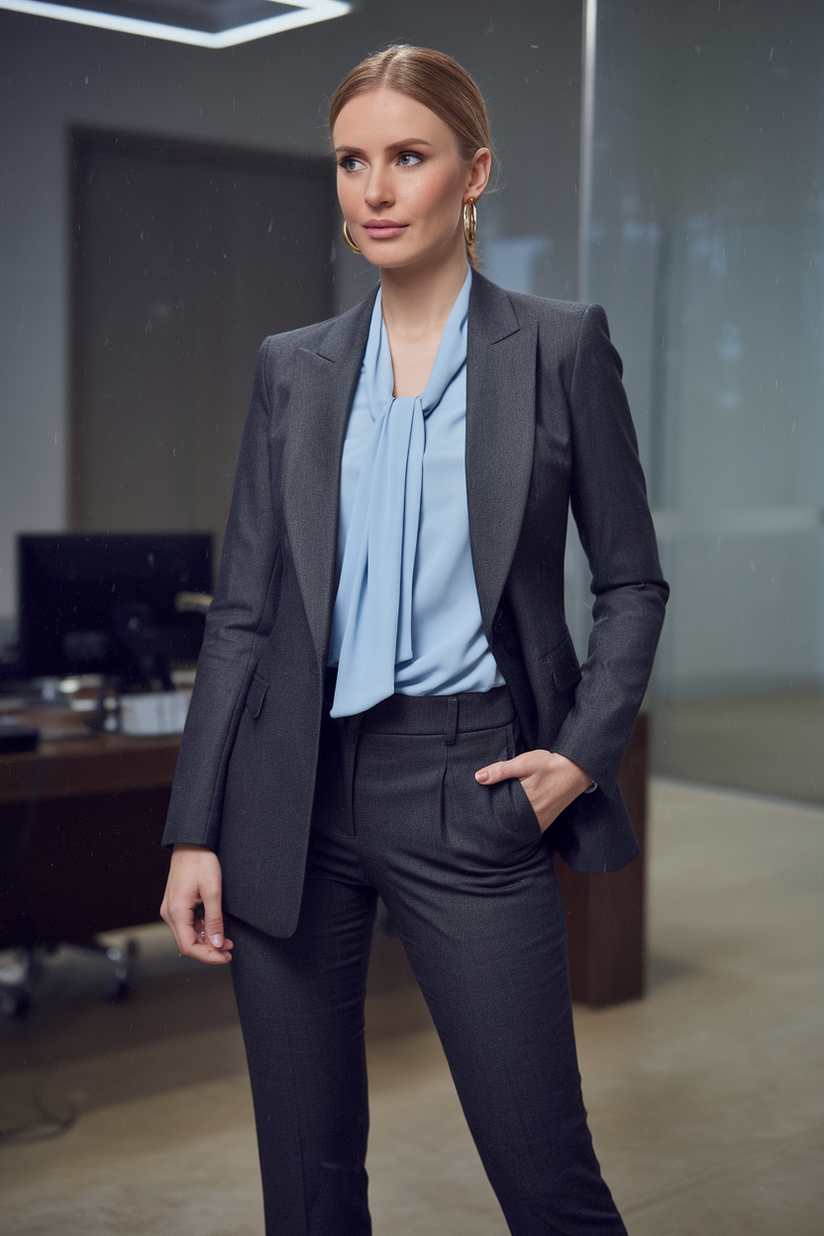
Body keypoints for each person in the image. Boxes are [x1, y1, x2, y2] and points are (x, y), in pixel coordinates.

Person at [160, 44, 668, 1236]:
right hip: (291, 799)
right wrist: (195, 828)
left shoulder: (554, 345)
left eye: (407, 157)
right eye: (351, 162)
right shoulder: (292, 369)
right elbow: (242, 612)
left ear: (472, 173)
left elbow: (631, 581)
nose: (374, 191)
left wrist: (582, 753)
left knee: (548, 1187)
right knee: (308, 1188)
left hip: (472, 784)